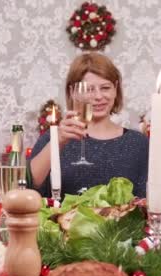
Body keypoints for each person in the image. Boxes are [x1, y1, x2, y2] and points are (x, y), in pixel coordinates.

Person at [29, 52, 149, 198]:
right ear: (73, 92)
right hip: (64, 220)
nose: (98, 97)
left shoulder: (138, 143)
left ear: (115, 89)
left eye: (105, 88)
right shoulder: (54, 137)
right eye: (89, 89)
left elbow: (146, 203)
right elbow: (28, 187)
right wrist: (57, 142)